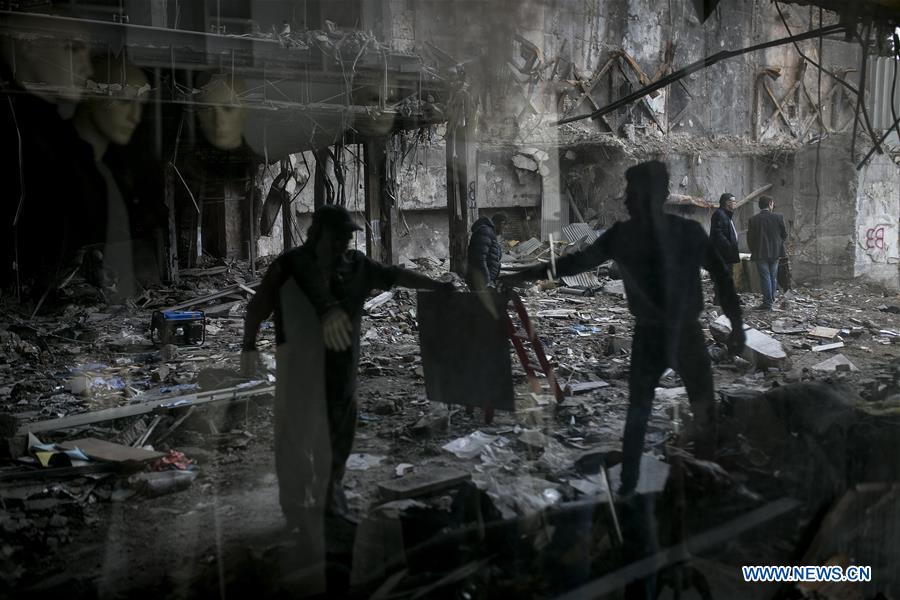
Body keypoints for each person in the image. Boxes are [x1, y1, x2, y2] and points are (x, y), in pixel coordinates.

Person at [241, 204, 452, 591]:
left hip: (341, 372)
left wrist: (436, 285)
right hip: (298, 373)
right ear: (316, 233)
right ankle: (295, 511)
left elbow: (395, 274)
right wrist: (248, 347)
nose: (343, 243)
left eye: (347, 237)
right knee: (294, 440)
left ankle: (327, 504)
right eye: (336, 236)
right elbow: (258, 306)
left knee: (337, 440)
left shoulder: (357, 266)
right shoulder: (290, 266)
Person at [501, 161, 745, 495]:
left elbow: (575, 263)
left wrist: (524, 274)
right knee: (698, 411)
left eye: (631, 192)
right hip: (682, 334)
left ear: (651, 195)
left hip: (653, 335)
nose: (625, 199)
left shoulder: (626, 236)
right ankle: (702, 483)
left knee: (641, 414)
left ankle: (634, 485)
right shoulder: (684, 232)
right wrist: (738, 326)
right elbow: (721, 278)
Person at [746, 195, 787, 311]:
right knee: (772, 277)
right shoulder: (778, 217)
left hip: (760, 253)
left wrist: (754, 249)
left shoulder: (753, 219)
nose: (773, 205)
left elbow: (750, 239)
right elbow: (784, 234)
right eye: (772, 203)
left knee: (765, 277)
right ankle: (771, 299)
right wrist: (777, 244)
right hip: (775, 253)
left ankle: (768, 303)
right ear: (770, 204)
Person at [710, 193, 741, 306]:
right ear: (727, 202)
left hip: (727, 253)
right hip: (722, 253)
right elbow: (717, 234)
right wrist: (728, 245)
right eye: (733, 201)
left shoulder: (726, 215)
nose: (735, 203)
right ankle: (719, 300)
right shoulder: (719, 214)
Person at [466, 212, 506, 290]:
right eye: (505, 227)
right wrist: (487, 282)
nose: (504, 230)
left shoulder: (489, 232)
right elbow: (480, 259)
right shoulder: (485, 232)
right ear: (501, 224)